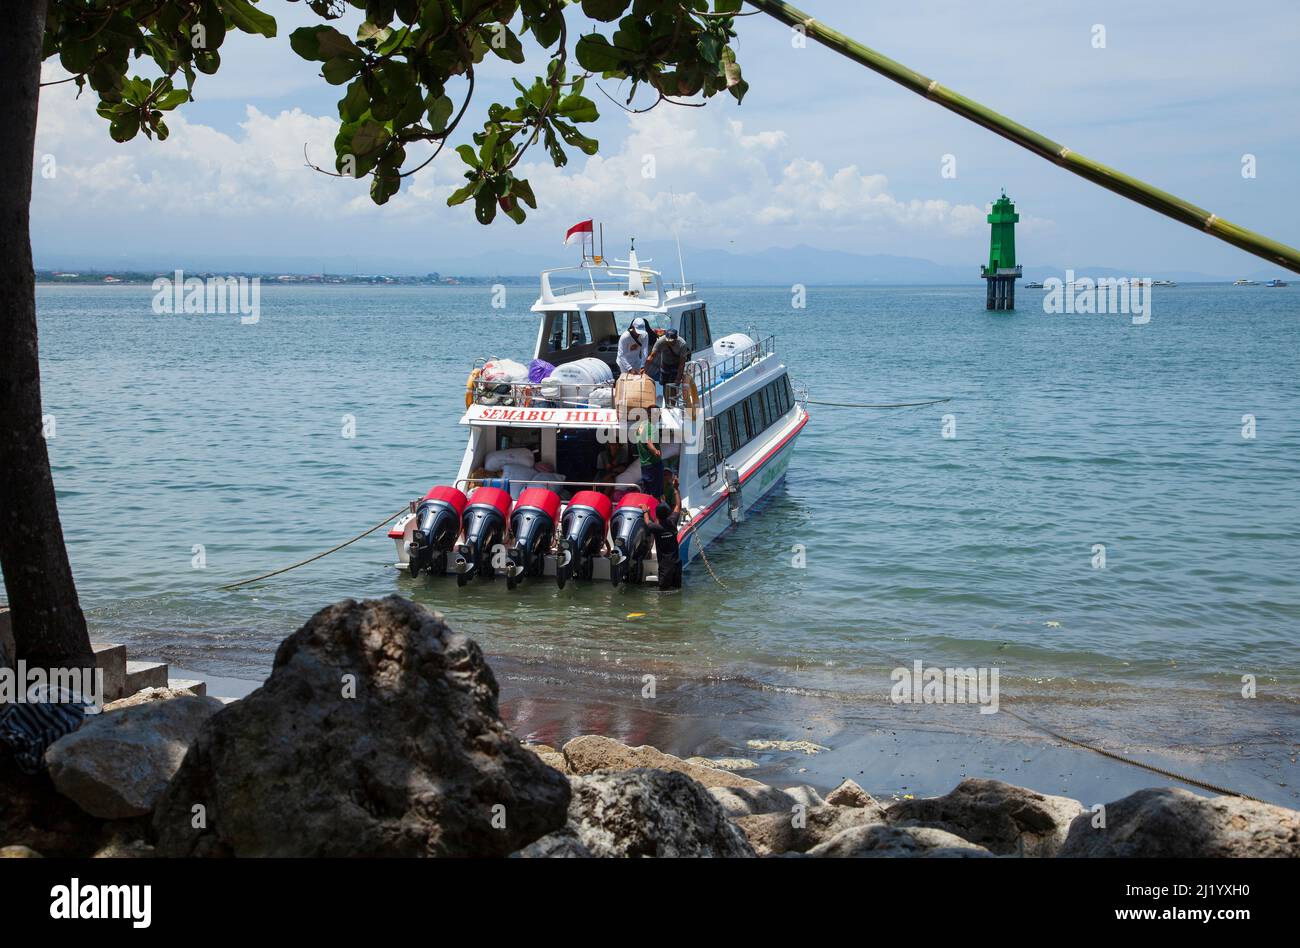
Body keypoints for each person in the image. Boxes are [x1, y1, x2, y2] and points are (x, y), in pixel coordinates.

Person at [645, 327, 691, 401]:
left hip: (676, 365)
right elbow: (651, 356)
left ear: (676, 338)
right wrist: (644, 370)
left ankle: (672, 403)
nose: (669, 343)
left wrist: (678, 379)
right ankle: (666, 402)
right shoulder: (661, 341)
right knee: (665, 385)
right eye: (667, 341)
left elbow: (682, 363)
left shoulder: (682, 344)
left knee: (673, 385)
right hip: (665, 364)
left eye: (672, 341)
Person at [645, 502, 682, 590]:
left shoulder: (656, 528)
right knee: (676, 591)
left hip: (665, 568)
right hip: (676, 565)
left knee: (664, 593)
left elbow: (647, 521)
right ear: (669, 514)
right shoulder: (673, 522)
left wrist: (645, 511)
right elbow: (677, 506)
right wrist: (676, 491)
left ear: (656, 515)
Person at [631, 412, 663, 500]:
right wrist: (655, 451)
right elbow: (649, 443)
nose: (659, 416)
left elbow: (638, 438)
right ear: (650, 416)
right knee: (656, 493)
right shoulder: (650, 426)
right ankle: (654, 511)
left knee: (647, 490)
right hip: (653, 463)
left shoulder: (641, 427)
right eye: (657, 414)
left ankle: (647, 509)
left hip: (645, 465)